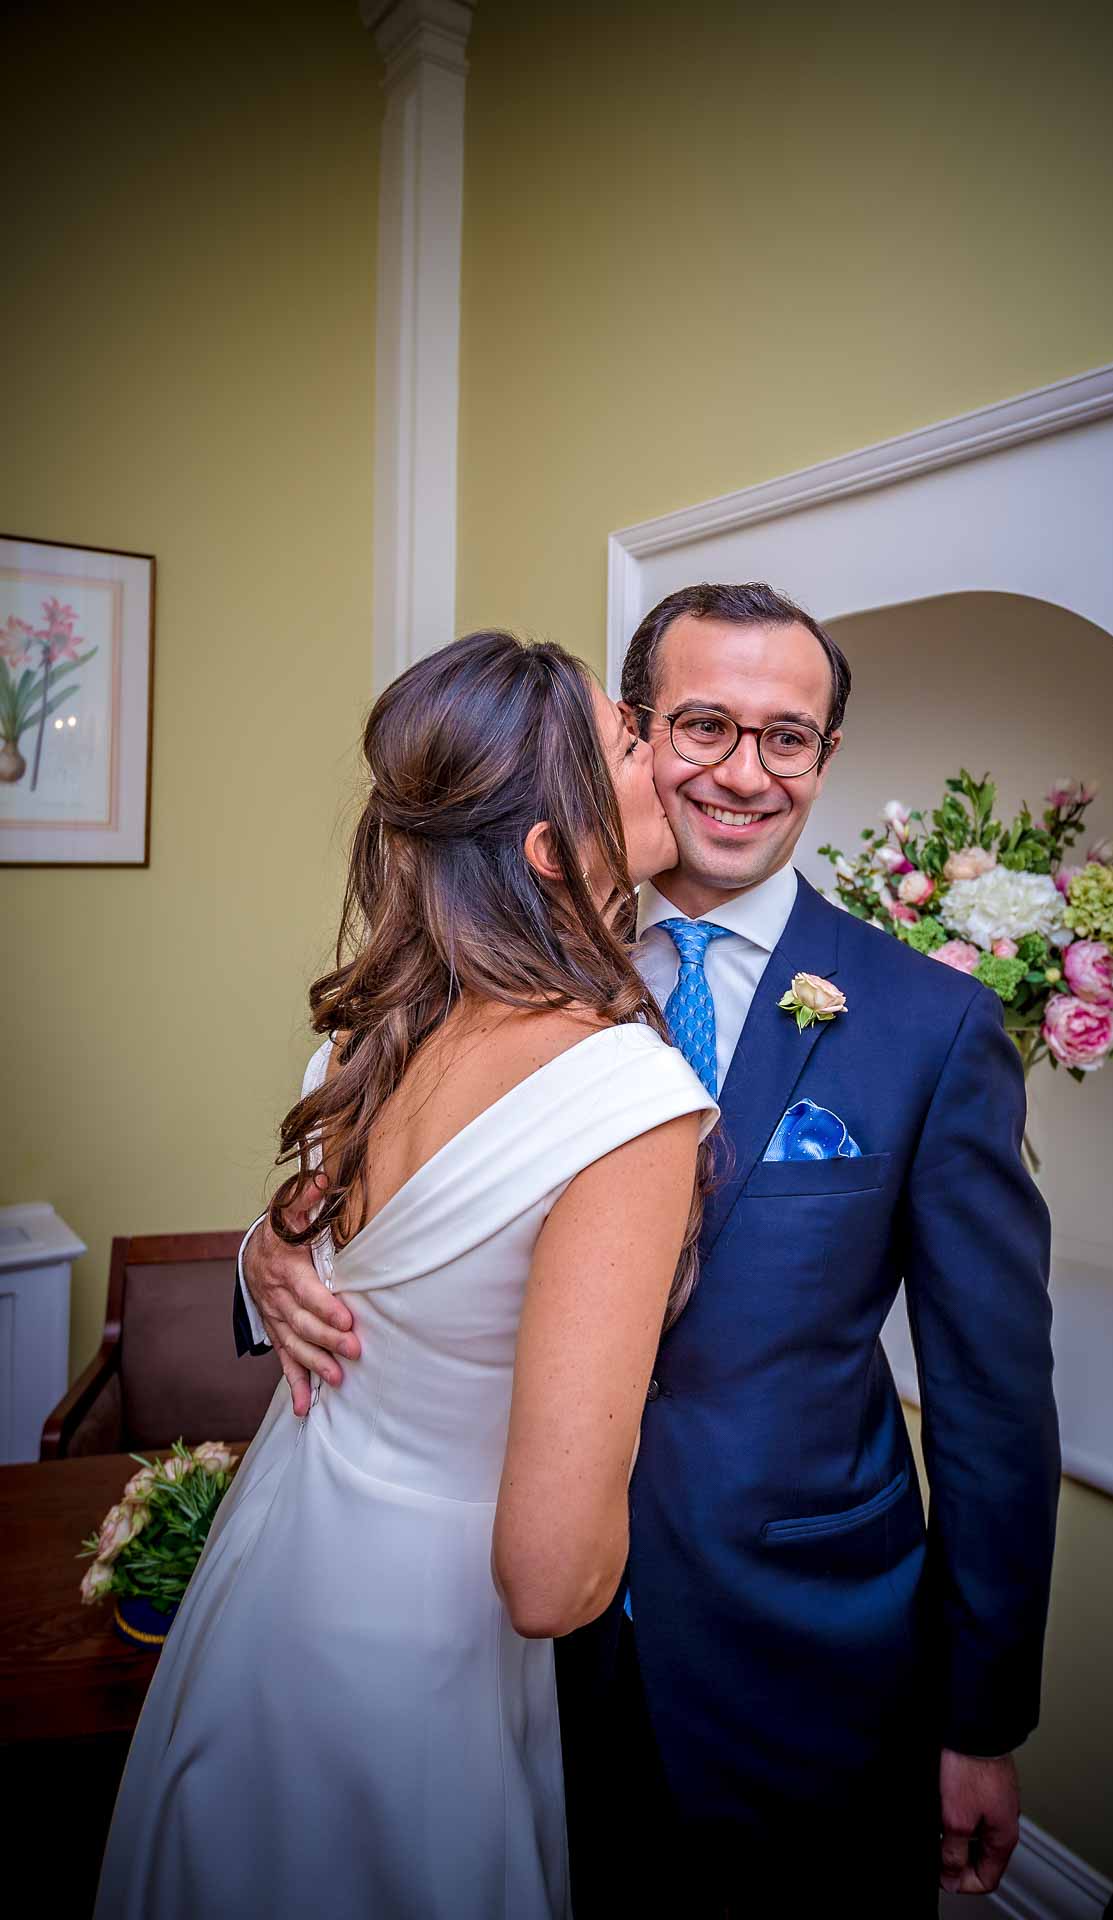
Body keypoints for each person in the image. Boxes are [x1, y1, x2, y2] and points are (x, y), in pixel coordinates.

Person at [242, 583, 1060, 1918]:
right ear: (624, 731)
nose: (744, 774)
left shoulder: (931, 1026)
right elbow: (389, 1207)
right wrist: (264, 1251)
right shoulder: (480, 968)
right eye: (699, 726)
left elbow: (991, 1401)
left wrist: (980, 1717)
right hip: (498, 1646)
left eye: (786, 737)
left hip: (797, 1646)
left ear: (826, 758)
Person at [95, 631, 718, 1920]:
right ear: (551, 849)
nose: (664, 754)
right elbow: (553, 1580)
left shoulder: (369, 1037)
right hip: (417, 1647)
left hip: (281, 1569)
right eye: (627, 740)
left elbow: (363, 1264)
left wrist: (280, 1250)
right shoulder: (625, 1094)